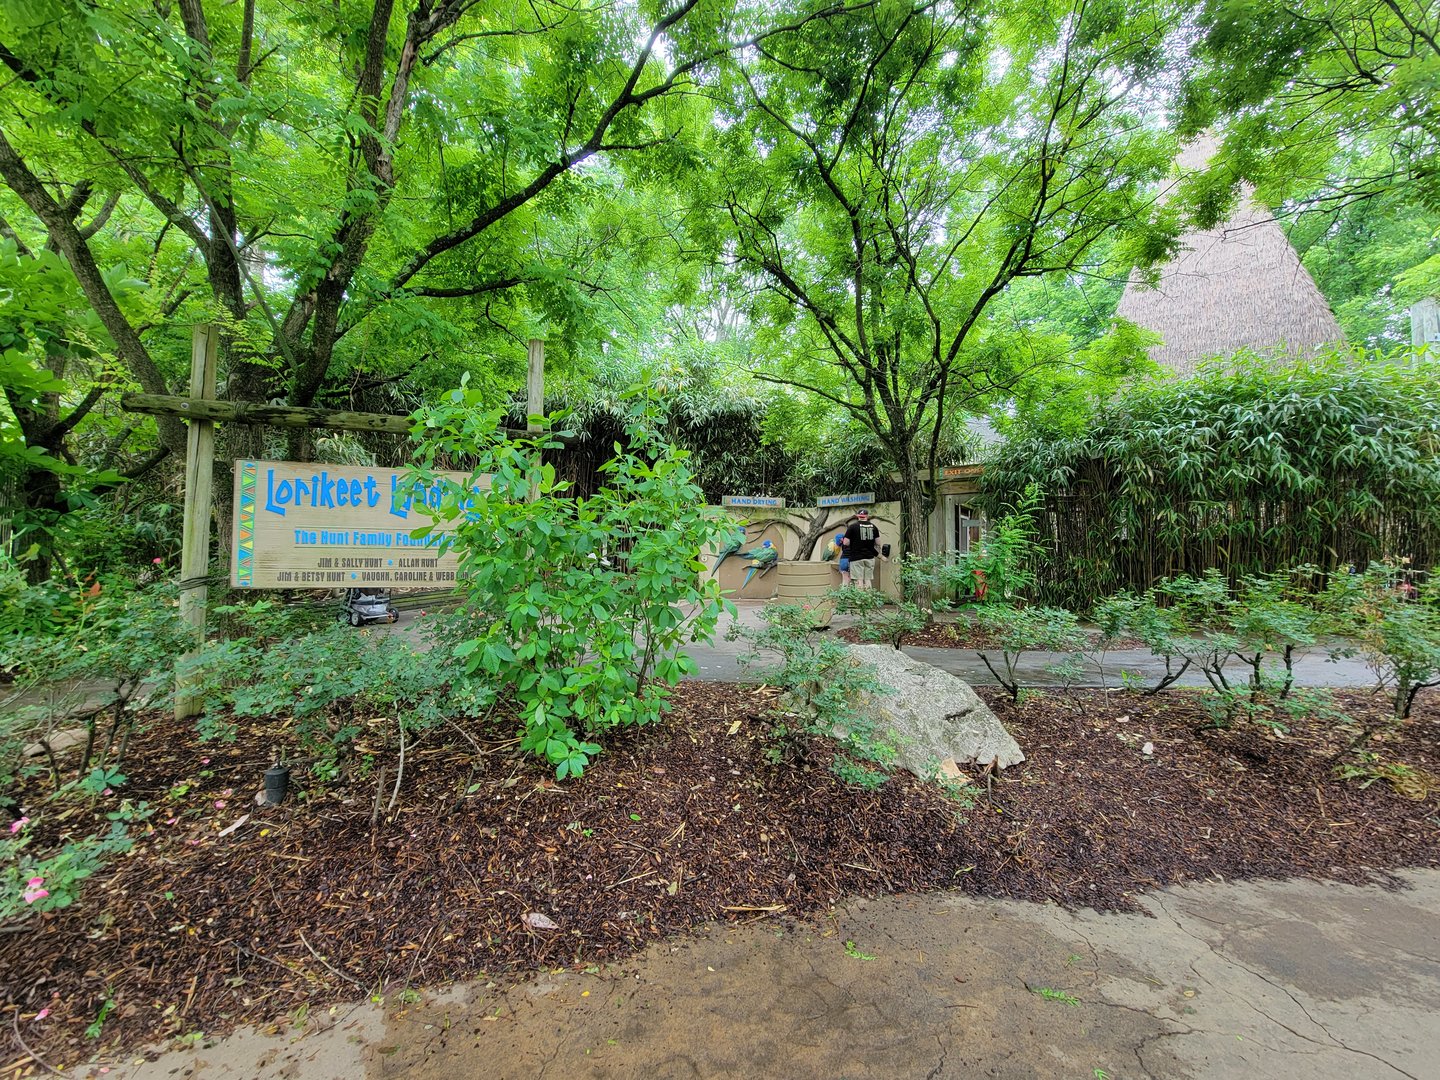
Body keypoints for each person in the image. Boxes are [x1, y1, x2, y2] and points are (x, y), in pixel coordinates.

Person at [841, 509, 881, 589]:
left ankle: (860, 600)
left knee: (859, 580)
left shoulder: (852, 527)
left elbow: (845, 543)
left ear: (858, 516)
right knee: (868, 579)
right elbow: (878, 543)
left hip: (856, 557)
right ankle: (868, 599)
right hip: (869, 557)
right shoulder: (874, 527)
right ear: (867, 516)